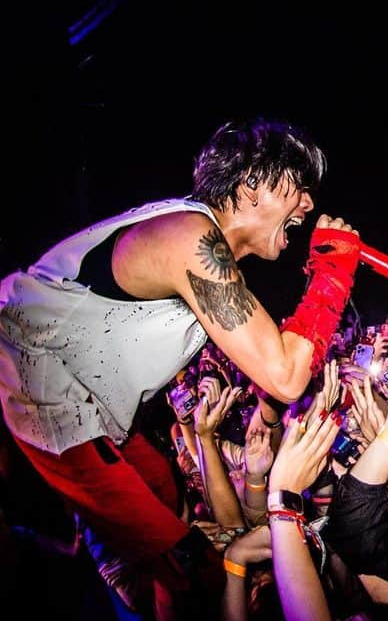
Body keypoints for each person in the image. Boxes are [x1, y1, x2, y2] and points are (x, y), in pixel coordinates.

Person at [0, 118, 362, 618]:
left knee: (168, 497)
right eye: (299, 188)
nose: (308, 205)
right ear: (252, 182)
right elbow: (284, 373)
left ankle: (115, 569)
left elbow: (271, 364)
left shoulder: (204, 249)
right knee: (191, 567)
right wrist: (332, 271)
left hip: (92, 406)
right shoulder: (190, 239)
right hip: (44, 394)